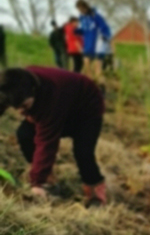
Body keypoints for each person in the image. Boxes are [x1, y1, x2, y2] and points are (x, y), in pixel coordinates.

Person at [0, 66, 107, 205]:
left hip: (86, 110)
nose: (20, 112)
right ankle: (49, 180)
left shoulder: (52, 94)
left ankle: (96, 195)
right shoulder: (14, 84)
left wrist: (36, 183)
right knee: (24, 134)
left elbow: (46, 143)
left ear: (33, 91)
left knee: (83, 153)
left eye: (24, 107)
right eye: (16, 108)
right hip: (58, 104)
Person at [75, 0, 112, 81]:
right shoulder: (82, 18)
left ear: (85, 7)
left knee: (97, 68)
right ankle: (91, 84)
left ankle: (102, 88)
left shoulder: (95, 16)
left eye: (81, 9)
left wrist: (105, 37)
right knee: (86, 63)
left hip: (98, 44)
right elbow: (85, 30)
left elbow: (105, 28)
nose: (80, 11)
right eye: (79, 10)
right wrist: (77, 31)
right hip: (88, 45)